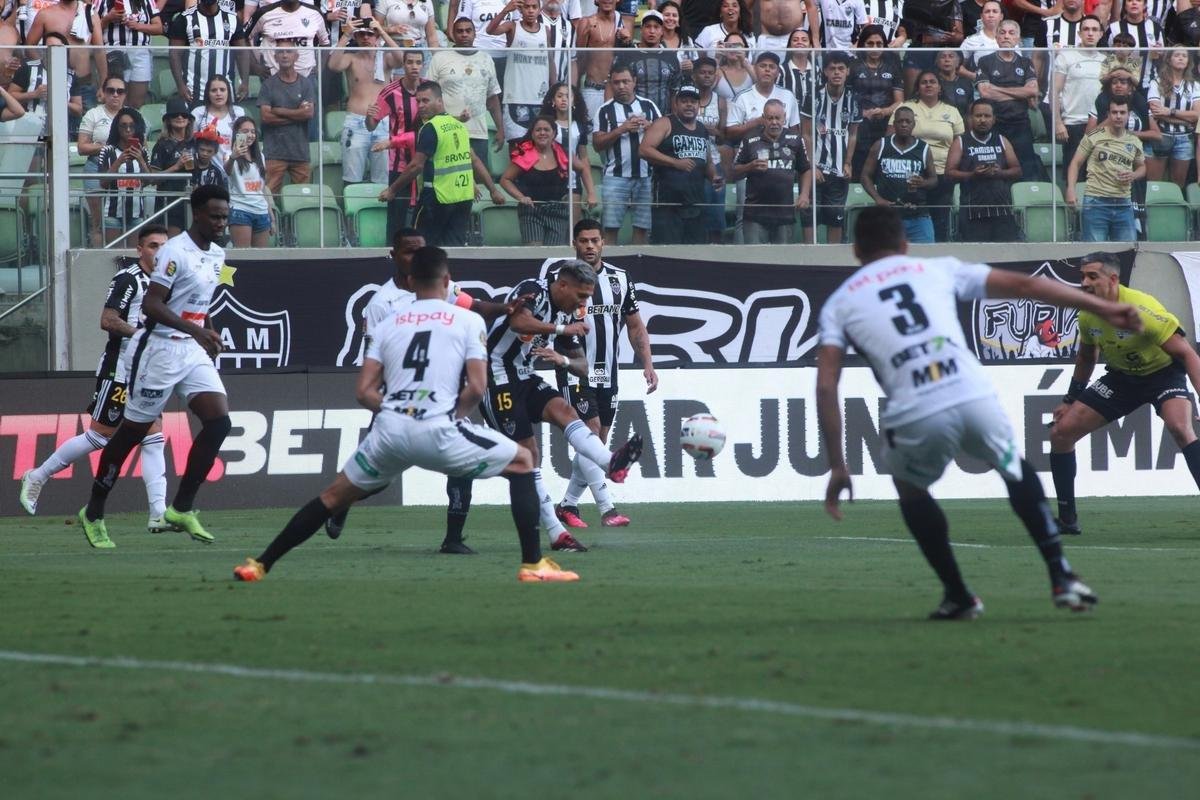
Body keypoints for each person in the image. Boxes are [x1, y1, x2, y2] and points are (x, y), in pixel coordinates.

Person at [818, 206, 1140, 618]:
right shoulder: (938, 270)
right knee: (1013, 466)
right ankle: (1061, 575)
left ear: (855, 250)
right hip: (970, 391)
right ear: (904, 243)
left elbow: (827, 384)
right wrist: (1104, 308)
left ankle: (959, 595)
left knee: (911, 488)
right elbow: (1026, 286)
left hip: (916, 406)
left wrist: (838, 465)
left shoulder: (840, 303)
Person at [233, 246, 582, 584]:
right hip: (439, 430)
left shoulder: (387, 323)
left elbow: (364, 392)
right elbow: (477, 387)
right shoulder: (468, 320)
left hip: (390, 432)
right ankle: (533, 564)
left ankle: (260, 564)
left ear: (412, 281)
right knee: (522, 461)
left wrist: (399, 413)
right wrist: (450, 416)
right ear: (448, 281)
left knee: (331, 498)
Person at [78, 185, 235, 549]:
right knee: (131, 434)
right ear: (196, 213)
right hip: (158, 350)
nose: (221, 222)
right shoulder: (173, 252)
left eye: (225, 216)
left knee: (219, 422)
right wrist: (196, 330)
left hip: (190, 350)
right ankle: (95, 510)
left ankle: (181, 508)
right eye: (215, 216)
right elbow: (152, 304)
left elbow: (199, 301)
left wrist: (207, 332)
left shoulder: (217, 253)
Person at [469, 260, 645, 553]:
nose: (584, 302)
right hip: (494, 375)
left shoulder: (566, 315)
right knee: (529, 455)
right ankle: (555, 532)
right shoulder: (534, 290)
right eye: (581, 295)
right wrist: (562, 328)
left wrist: (562, 358)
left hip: (523, 375)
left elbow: (582, 367)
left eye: (588, 296)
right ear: (562, 285)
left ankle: (610, 463)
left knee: (565, 411)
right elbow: (517, 321)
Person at [19, 227, 171, 531]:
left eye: (164, 246)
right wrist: (142, 335)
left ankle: (158, 514)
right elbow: (108, 320)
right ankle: (37, 475)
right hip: (120, 369)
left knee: (153, 438)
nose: (159, 252)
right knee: (100, 436)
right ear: (140, 249)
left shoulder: (165, 281)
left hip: (148, 370)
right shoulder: (128, 279)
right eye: (153, 245)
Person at [1049, 252, 1200, 536]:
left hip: (1163, 375)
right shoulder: (1087, 313)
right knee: (1061, 433)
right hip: (1122, 380)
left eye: (1092, 276)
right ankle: (1067, 518)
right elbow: (1086, 357)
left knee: (1181, 428)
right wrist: (1069, 400)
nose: (1085, 282)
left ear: (1113, 279)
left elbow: (1187, 354)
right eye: (1083, 277)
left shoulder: (1141, 311)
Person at [541, 219, 657, 531]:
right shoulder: (558, 277)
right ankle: (608, 509)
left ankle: (567, 505)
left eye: (595, 240)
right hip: (574, 368)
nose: (590, 246)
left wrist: (647, 362)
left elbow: (634, 325)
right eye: (583, 241)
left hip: (609, 371)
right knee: (591, 435)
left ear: (603, 242)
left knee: (596, 444)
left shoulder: (621, 279)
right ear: (574, 244)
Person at [379, 80, 506, 247]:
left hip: (437, 198)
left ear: (440, 101)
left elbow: (416, 166)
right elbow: (474, 160)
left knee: (422, 248)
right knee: (454, 249)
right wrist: (493, 190)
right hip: (462, 198)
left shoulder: (430, 128)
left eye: (426, 100)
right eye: (418, 101)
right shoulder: (458, 126)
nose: (421, 105)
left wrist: (392, 189)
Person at [328, 15, 403, 187]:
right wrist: (346, 35)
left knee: (382, 178)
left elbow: (401, 59)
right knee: (352, 176)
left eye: (370, 34)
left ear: (376, 36)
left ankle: (378, 212)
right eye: (362, 34)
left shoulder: (385, 59)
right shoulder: (351, 58)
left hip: (382, 122)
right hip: (356, 122)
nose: (366, 38)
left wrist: (383, 31)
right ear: (357, 37)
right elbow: (333, 65)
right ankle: (352, 213)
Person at [638, 82, 718, 244]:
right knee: (667, 253)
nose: (689, 105)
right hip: (668, 204)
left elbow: (707, 160)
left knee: (694, 255)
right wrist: (674, 162)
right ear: (676, 103)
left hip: (695, 203)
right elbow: (644, 150)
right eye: (684, 101)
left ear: (698, 105)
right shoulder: (665, 123)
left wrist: (714, 177)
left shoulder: (702, 129)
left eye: (693, 102)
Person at [592, 65, 661, 245]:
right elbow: (597, 144)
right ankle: (611, 265)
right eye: (617, 82)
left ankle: (639, 264)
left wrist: (649, 127)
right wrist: (621, 129)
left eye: (626, 81)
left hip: (646, 175)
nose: (621, 86)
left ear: (634, 82)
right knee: (610, 228)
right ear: (611, 84)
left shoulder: (649, 105)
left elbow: (664, 138)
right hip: (615, 176)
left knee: (642, 227)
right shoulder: (604, 110)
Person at [894, 69, 964, 242]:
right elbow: (891, 139)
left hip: (942, 173)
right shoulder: (906, 108)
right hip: (911, 173)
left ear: (940, 87)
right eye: (923, 82)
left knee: (940, 220)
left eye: (932, 81)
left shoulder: (952, 110)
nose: (928, 85)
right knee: (910, 218)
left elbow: (960, 143)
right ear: (918, 87)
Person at [426, 16, 505, 166]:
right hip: (448, 132)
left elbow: (492, 98)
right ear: (453, 35)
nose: (464, 34)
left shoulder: (486, 59)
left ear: (475, 34)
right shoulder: (440, 58)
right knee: (449, 179)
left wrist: (500, 129)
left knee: (479, 181)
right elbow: (428, 96)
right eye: (459, 31)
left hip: (478, 133)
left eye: (468, 31)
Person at [732, 97, 811, 243]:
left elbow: (806, 169)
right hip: (755, 214)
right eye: (770, 118)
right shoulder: (750, 139)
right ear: (763, 118)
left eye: (777, 118)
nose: (774, 122)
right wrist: (750, 166)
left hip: (785, 214)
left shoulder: (795, 139)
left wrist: (804, 194)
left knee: (782, 262)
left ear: (784, 118)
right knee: (755, 260)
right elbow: (734, 171)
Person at [1067, 98, 1146, 242]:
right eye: (1114, 112)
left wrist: (1133, 175)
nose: (1118, 116)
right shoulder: (1094, 136)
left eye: (1122, 112)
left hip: (1124, 203)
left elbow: (1142, 167)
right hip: (1096, 201)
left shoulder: (1134, 141)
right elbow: (1075, 163)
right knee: (1094, 256)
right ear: (1108, 114)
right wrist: (1071, 189)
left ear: (1129, 114)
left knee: (1127, 254)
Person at [802, 52, 860, 245]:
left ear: (848, 71)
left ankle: (831, 260)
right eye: (833, 68)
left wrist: (848, 163)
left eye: (841, 68)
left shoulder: (854, 98)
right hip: (815, 169)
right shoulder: (813, 96)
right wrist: (812, 166)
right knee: (810, 215)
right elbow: (807, 134)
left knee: (835, 217)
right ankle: (808, 260)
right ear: (825, 71)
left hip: (839, 170)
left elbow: (852, 134)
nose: (837, 72)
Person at [945, 98, 1023, 242]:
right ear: (970, 118)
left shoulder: (1002, 140)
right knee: (977, 259)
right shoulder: (961, 142)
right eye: (978, 116)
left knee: (1006, 257)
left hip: (1002, 210)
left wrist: (1000, 173)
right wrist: (973, 174)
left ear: (994, 119)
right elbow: (949, 174)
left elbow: (1017, 170)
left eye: (987, 116)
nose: (982, 120)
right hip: (972, 212)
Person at [975, 19, 1041, 180]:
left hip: (1020, 123)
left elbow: (1033, 91)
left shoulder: (1025, 62)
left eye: (1012, 33)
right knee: (995, 167)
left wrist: (997, 88)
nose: (1006, 36)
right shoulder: (985, 61)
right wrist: (1021, 92)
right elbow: (985, 93)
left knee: (1026, 167)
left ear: (1018, 39)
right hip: (995, 123)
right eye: (1002, 32)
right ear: (996, 37)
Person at [861, 105, 938, 243]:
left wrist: (923, 182)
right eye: (900, 121)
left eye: (908, 122)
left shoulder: (923, 148)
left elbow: (934, 179)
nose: (904, 124)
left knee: (925, 257)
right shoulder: (881, 145)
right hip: (887, 216)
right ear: (894, 124)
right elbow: (865, 176)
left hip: (918, 215)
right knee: (884, 258)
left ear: (914, 124)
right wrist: (877, 198)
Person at [371, 50, 425, 238]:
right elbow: (371, 125)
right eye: (410, 62)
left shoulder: (429, 89)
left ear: (423, 65)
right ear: (403, 64)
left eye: (418, 62)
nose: (414, 66)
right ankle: (392, 257)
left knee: (423, 216)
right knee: (396, 220)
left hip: (426, 163)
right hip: (400, 164)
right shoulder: (390, 92)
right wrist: (370, 117)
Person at [487, 0, 553, 148]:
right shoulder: (512, 26)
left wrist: (553, 88)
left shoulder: (546, 30)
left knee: (540, 147)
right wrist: (505, 10)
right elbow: (490, 30)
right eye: (527, 7)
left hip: (539, 98)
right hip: (516, 97)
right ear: (520, 10)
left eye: (534, 7)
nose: (530, 10)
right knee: (518, 148)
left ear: (539, 10)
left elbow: (550, 60)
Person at [500, 115, 572, 245]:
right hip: (531, 210)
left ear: (554, 133)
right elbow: (505, 180)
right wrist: (521, 197)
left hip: (557, 210)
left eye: (546, 130)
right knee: (534, 252)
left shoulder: (561, 152)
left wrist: (590, 192)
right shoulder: (524, 153)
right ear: (532, 134)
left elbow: (583, 167)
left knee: (554, 256)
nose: (542, 133)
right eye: (538, 130)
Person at [1051, 15, 1106, 178]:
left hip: (1100, 125)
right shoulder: (1066, 57)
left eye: (1095, 29)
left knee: (1098, 177)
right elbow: (1054, 91)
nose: (1090, 33)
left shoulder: (1106, 61)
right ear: (1079, 33)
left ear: (1101, 34)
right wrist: (1058, 122)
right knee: (1073, 175)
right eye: (1086, 29)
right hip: (1073, 124)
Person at [168, 0, 249, 109]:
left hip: (225, 90)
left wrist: (245, 82)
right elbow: (174, 54)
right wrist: (180, 85)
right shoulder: (185, 18)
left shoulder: (232, 18)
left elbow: (242, 52)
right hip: (194, 90)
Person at [258, 41, 315, 197]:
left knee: (303, 198)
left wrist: (280, 111)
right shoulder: (268, 85)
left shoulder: (305, 84)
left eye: (288, 52)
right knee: (269, 197)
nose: (284, 55)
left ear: (296, 56)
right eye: (281, 52)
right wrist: (297, 115)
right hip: (274, 152)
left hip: (300, 152)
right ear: (275, 57)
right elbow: (266, 117)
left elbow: (309, 114)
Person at [848, 25, 904, 180]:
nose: (875, 48)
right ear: (862, 45)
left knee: (882, 163)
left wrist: (885, 111)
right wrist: (862, 113)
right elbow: (845, 98)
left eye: (879, 44)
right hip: (858, 124)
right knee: (859, 163)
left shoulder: (892, 66)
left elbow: (900, 101)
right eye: (870, 43)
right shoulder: (852, 66)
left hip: (885, 123)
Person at [78, 75, 125, 247]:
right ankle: (97, 266)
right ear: (103, 93)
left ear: (125, 95)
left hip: (124, 169)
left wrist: (105, 145)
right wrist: (104, 147)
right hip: (96, 167)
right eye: (110, 90)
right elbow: (82, 147)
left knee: (123, 219)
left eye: (120, 91)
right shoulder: (93, 113)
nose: (115, 94)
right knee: (98, 222)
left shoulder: (130, 115)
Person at [540, 82, 599, 220]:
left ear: (574, 100)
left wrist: (591, 192)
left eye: (568, 96)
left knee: (573, 227)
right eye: (559, 96)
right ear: (553, 100)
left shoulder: (579, 126)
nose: (564, 99)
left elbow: (583, 158)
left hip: (573, 182)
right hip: (549, 181)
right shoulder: (545, 125)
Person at [95, 106, 150, 246]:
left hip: (136, 212)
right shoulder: (107, 151)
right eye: (123, 126)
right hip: (112, 212)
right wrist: (118, 162)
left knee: (134, 254)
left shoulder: (142, 151)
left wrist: (141, 160)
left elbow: (149, 181)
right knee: (113, 255)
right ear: (116, 128)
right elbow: (103, 183)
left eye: (132, 126)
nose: (128, 130)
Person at [1146, 47, 1199, 189]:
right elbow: (1156, 112)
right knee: (1154, 185)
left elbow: (1197, 115)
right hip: (1161, 136)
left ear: (1188, 61)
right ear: (1169, 59)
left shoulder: (1194, 85)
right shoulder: (1156, 82)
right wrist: (1186, 119)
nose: (1181, 58)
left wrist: (1169, 111)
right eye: (1177, 55)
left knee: (1178, 186)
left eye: (1184, 56)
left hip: (1185, 139)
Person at [613, 10, 682, 116]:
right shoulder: (627, 53)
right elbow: (612, 85)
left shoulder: (671, 56)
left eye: (656, 27)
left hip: (663, 119)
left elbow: (674, 92)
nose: (652, 31)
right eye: (648, 26)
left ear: (662, 30)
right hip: (631, 118)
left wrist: (674, 119)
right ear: (641, 29)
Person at [95, 0, 162, 109]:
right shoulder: (101, 1)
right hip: (114, 51)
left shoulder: (147, 1)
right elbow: (92, 28)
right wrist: (108, 18)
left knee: (136, 103)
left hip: (141, 52)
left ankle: (131, 123)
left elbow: (159, 28)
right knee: (116, 97)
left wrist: (137, 26)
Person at [246, 0, 330, 79]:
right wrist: (255, 66)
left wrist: (319, 68)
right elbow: (244, 37)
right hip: (272, 77)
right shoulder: (264, 13)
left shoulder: (315, 13)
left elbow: (325, 42)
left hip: (307, 77)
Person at [225, 115, 275, 247]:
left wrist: (271, 215)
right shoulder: (229, 155)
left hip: (262, 211)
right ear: (237, 134)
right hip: (241, 210)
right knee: (244, 257)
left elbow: (262, 188)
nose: (250, 135)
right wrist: (233, 157)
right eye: (245, 131)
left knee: (260, 260)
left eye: (253, 131)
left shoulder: (260, 156)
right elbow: (227, 171)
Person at [576, 0, 631, 114]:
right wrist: (586, 32)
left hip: (616, 89)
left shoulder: (622, 23)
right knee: (591, 130)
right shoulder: (586, 21)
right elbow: (578, 55)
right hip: (592, 88)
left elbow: (627, 59)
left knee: (615, 129)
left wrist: (627, 42)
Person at [191, 75, 245, 163]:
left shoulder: (238, 112)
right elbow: (192, 142)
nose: (218, 93)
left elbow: (242, 143)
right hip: (206, 168)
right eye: (213, 90)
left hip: (234, 167)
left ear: (228, 92)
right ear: (208, 93)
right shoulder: (198, 113)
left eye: (222, 90)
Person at [714, 31, 753, 102]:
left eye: (737, 46)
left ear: (745, 49)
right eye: (729, 46)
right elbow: (707, 86)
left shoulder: (752, 70)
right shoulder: (718, 71)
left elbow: (762, 86)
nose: (733, 49)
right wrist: (717, 59)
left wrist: (744, 61)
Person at [190, 124, 229, 189]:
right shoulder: (189, 168)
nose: (205, 153)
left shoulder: (216, 172)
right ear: (197, 149)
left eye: (209, 151)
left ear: (215, 152)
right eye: (202, 150)